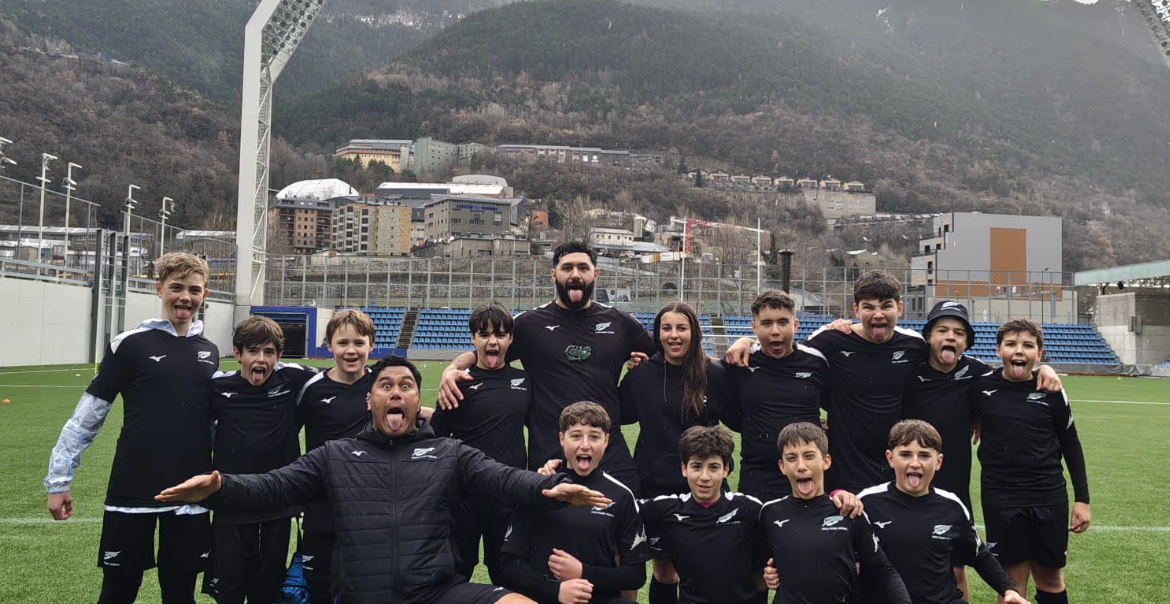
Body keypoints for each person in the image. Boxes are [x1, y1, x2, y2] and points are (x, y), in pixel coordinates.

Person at [156, 356, 611, 604]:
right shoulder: (334, 455)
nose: (397, 392)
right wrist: (220, 488)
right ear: (369, 400)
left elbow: (503, 478)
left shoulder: (447, 451)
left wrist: (549, 490)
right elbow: (274, 486)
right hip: (363, 594)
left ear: (417, 400)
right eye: (386, 385)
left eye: (407, 386)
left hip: (437, 591)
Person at [44, 252, 220, 604]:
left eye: (194, 290)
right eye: (176, 288)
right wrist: (59, 480)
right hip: (132, 488)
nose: (185, 297)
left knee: (180, 594)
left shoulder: (210, 351)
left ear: (204, 295)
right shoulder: (129, 345)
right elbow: (87, 416)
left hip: (191, 494)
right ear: (159, 289)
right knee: (118, 592)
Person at [438, 241, 655, 492]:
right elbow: (489, 348)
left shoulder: (621, 323)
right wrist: (452, 368)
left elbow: (664, 359)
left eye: (583, 268)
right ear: (554, 274)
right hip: (550, 453)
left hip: (609, 449)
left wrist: (646, 367)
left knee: (624, 521)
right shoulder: (529, 324)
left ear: (595, 274)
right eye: (567, 268)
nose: (575, 274)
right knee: (553, 527)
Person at [901, 301, 1060, 599]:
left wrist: (1045, 367)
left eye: (958, 332)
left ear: (967, 341)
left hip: (954, 481)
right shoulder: (909, 369)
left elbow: (1013, 381)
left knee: (955, 568)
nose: (950, 337)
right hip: (907, 473)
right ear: (928, 336)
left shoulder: (977, 373)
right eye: (942, 330)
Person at [728, 271, 927, 493]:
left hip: (895, 460)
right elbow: (787, 348)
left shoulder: (915, 345)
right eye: (869, 307)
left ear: (899, 308)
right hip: (844, 466)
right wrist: (747, 341)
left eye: (886, 306)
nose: (878, 314)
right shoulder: (830, 340)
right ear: (856, 309)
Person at [616, 302, 733, 602]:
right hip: (654, 482)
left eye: (682, 328)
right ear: (657, 334)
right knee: (665, 570)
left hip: (704, 483)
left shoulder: (715, 373)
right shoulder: (642, 374)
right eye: (666, 328)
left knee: (706, 566)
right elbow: (618, 414)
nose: (674, 335)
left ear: (694, 332)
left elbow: (742, 416)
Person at [203, 316, 319, 604]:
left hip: (277, 502)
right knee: (228, 588)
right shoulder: (217, 387)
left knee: (268, 586)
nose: (261, 359)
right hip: (232, 499)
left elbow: (341, 378)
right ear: (238, 353)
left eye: (269, 352)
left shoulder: (293, 378)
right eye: (253, 351)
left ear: (279, 355)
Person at [975, 319, 1090, 604]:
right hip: (1001, 497)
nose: (1019, 351)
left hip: (1048, 494)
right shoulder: (980, 389)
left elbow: (1071, 444)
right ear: (998, 349)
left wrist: (1082, 499)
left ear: (1039, 353)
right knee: (1011, 582)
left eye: (1028, 345)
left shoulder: (1051, 391)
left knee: (1050, 577)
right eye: (1011, 344)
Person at [857, 420, 1029, 604]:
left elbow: (978, 554)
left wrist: (1007, 589)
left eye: (924, 455)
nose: (915, 463)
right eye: (906, 455)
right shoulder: (867, 502)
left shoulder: (951, 505)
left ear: (938, 461)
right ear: (891, 458)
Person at [500, 402, 648, 604]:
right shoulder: (538, 488)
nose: (585, 445)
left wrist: (583, 572)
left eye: (594, 437)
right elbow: (508, 565)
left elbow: (635, 574)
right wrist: (556, 590)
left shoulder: (621, 495)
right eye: (576, 436)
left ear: (606, 441)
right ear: (562, 439)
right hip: (544, 597)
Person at [430, 302, 531, 584]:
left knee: (507, 573)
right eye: (484, 334)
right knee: (456, 572)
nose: (492, 341)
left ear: (510, 339)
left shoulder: (524, 381)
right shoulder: (457, 383)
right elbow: (436, 438)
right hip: (464, 496)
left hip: (508, 495)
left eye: (500, 334)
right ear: (473, 338)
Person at [760, 422, 911, 604]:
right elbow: (758, 568)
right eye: (792, 458)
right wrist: (768, 575)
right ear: (782, 466)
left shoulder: (848, 510)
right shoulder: (770, 513)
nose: (801, 466)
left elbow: (882, 569)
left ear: (826, 461)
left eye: (809, 456)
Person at [295, 309, 377, 604]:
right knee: (319, 585)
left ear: (371, 344)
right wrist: (297, 491)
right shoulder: (312, 389)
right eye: (342, 343)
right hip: (322, 506)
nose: (351, 350)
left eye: (359, 342)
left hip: (371, 505)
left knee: (368, 586)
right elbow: (287, 434)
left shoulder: (383, 384)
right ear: (329, 345)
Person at [639, 426, 768, 604]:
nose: (704, 476)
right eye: (696, 466)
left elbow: (762, 575)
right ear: (684, 469)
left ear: (725, 470)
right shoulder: (664, 509)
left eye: (713, 467)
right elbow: (618, 508)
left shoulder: (750, 510)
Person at [721, 290, 829, 502]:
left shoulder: (816, 362)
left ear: (795, 325)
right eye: (766, 323)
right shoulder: (741, 362)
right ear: (754, 327)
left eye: (782, 322)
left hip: (806, 471)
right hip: (758, 475)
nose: (775, 331)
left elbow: (839, 403)